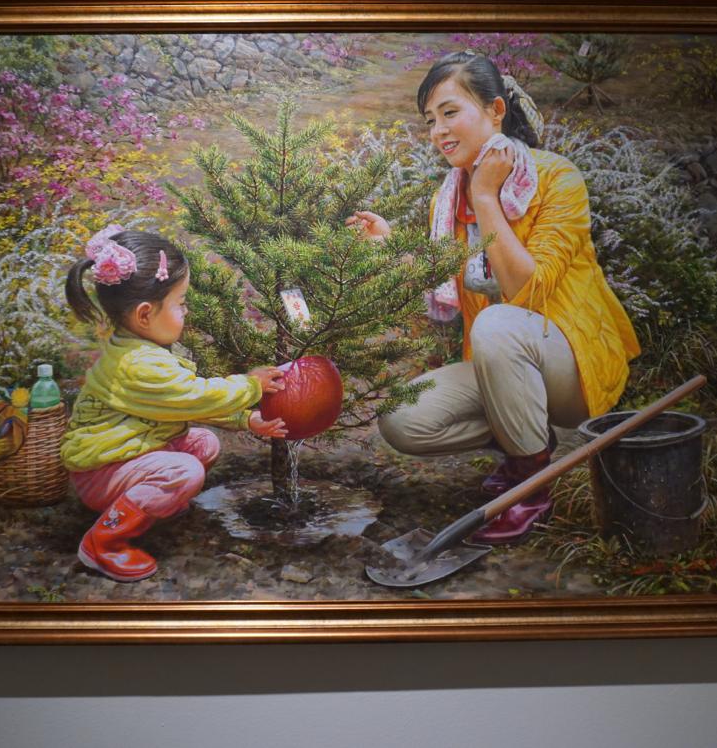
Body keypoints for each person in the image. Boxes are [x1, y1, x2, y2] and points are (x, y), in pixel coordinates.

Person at [350, 51, 640, 544]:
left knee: (497, 322)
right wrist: (389, 246)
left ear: (496, 110)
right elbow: (444, 276)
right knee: (402, 419)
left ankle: (531, 489)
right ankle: (528, 441)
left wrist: (486, 198)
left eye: (450, 112)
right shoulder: (450, 196)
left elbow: (525, 290)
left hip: (573, 366)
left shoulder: (556, 178)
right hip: (505, 363)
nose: (439, 131)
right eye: (430, 120)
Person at [61, 226, 287, 582]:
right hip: (102, 471)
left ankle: (151, 503)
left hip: (126, 451)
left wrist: (245, 420)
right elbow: (195, 397)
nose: (186, 311)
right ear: (145, 315)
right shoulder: (139, 365)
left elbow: (183, 404)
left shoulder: (137, 347)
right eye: (180, 303)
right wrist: (250, 386)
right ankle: (103, 542)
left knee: (203, 443)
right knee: (186, 471)